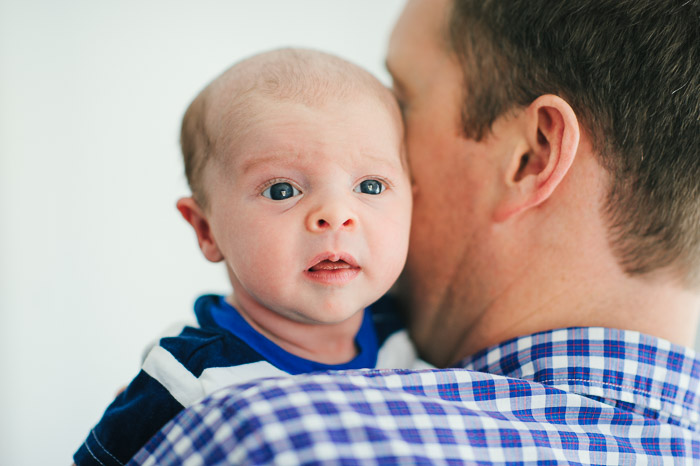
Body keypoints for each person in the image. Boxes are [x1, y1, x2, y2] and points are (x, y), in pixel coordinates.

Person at [128, 0, 700, 464]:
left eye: (401, 101)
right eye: (283, 189)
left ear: (530, 156)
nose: (336, 211)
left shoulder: (272, 434)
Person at [73, 48, 419, 466]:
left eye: (370, 186)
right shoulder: (189, 377)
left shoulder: (399, 331)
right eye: (281, 191)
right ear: (206, 230)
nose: (336, 215)